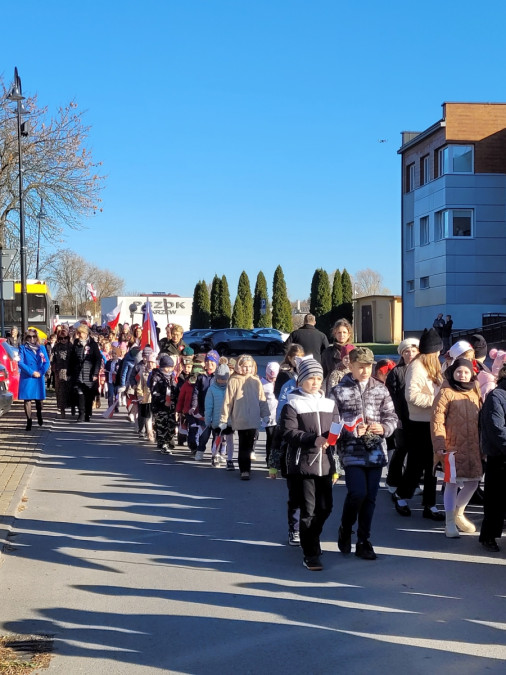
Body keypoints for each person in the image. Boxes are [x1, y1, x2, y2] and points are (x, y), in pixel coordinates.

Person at [331, 347, 397, 560]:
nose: (365, 370)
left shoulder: (380, 389)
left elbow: (391, 417)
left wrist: (383, 428)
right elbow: (331, 423)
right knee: (357, 493)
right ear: (350, 365)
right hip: (352, 451)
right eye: (360, 366)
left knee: (370, 497)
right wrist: (350, 430)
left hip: (375, 451)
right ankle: (345, 527)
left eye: (368, 366)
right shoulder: (338, 391)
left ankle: (363, 540)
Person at [280, 357, 339, 571]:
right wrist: (313, 439)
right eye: (311, 378)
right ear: (301, 380)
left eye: (318, 378)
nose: (315, 382)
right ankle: (310, 553)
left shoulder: (329, 403)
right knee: (309, 510)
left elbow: (336, 426)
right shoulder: (292, 403)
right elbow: (288, 432)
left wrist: (338, 435)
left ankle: (312, 538)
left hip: (326, 463)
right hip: (303, 465)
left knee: (326, 507)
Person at [393, 328, 445, 521]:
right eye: (437, 351)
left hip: (433, 422)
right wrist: (436, 402)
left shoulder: (434, 366)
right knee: (416, 465)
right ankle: (400, 495)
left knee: (433, 465)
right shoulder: (417, 367)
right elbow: (411, 396)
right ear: (432, 351)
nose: (439, 354)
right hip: (418, 424)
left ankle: (430, 504)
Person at [431, 358, 482, 538]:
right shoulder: (445, 393)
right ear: (452, 372)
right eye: (459, 371)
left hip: (473, 446)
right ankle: (449, 522)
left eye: (466, 372)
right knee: (451, 483)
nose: (462, 375)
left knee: (473, 482)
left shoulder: (475, 391)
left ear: (471, 374)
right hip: (451, 446)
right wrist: (439, 444)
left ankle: (459, 513)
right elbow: (437, 421)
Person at [219, 354, 270, 480]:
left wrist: (265, 414)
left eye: (250, 366)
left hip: (253, 417)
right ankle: (244, 469)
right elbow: (228, 401)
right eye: (245, 366)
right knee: (243, 444)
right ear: (239, 366)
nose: (247, 369)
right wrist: (224, 418)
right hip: (240, 417)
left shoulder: (256, 380)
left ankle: (247, 467)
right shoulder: (234, 380)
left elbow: (262, 399)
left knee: (250, 444)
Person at [385, 338, 420, 494]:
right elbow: (391, 397)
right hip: (402, 417)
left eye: (413, 351)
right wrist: (396, 417)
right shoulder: (396, 372)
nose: (410, 354)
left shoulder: (422, 371)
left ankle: (412, 482)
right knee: (401, 449)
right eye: (407, 351)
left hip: (419, 417)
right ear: (402, 354)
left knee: (415, 452)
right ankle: (393, 480)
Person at [479, 362, 506, 552]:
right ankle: (488, 536)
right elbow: (497, 429)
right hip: (499, 456)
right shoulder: (497, 395)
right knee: (495, 499)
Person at [68, 324, 102, 422]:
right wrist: (70, 372)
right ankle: (81, 414)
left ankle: (88, 413)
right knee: (80, 393)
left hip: (89, 373)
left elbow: (98, 359)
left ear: (86, 333)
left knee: (89, 394)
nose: (79, 335)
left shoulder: (93, 344)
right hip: (78, 373)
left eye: (81, 333)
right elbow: (72, 359)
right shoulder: (76, 343)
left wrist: (95, 373)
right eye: (78, 333)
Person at [190, 350, 220, 460]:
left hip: (217, 411)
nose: (210, 365)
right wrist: (194, 406)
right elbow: (196, 393)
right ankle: (200, 450)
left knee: (217, 433)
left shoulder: (220, 377)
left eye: (212, 363)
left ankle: (215, 453)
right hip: (205, 410)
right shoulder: (201, 377)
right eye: (207, 362)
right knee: (204, 433)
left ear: (217, 364)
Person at [18, 329, 50, 430]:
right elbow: (20, 363)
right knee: (27, 399)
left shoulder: (42, 348)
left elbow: (46, 362)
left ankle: (39, 413)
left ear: (37, 337)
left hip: (38, 376)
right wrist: (32, 372)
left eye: (34, 336)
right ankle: (29, 420)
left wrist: (40, 372)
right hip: (28, 376)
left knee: (39, 400)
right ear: (26, 338)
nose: (32, 338)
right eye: (29, 337)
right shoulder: (22, 348)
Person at [205, 364, 234, 468]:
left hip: (229, 419)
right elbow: (208, 406)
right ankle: (214, 455)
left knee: (230, 440)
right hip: (217, 419)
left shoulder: (230, 388)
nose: (222, 381)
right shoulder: (212, 389)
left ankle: (229, 459)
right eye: (220, 379)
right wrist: (208, 419)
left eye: (224, 379)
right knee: (218, 439)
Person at [150, 355, 179, 453]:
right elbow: (154, 393)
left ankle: (169, 439)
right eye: (167, 367)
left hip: (171, 405)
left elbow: (175, 390)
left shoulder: (172, 377)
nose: (169, 369)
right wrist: (163, 400)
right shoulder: (156, 377)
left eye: (171, 367)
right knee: (161, 425)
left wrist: (175, 400)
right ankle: (163, 443)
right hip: (159, 407)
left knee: (171, 424)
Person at [260, 361, 280, 467]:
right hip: (268, 415)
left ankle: (277, 460)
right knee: (270, 438)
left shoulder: (280, 382)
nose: (272, 379)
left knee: (278, 438)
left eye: (274, 377)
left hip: (279, 414)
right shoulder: (262, 383)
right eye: (270, 377)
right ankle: (269, 459)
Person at [51, 326, 72, 417]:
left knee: (70, 390)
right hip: (59, 371)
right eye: (61, 338)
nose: (63, 340)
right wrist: (53, 368)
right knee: (61, 391)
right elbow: (52, 359)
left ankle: (72, 407)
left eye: (65, 338)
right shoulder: (56, 347)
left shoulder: (71, 346)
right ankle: (62, 409)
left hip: (70, 370)